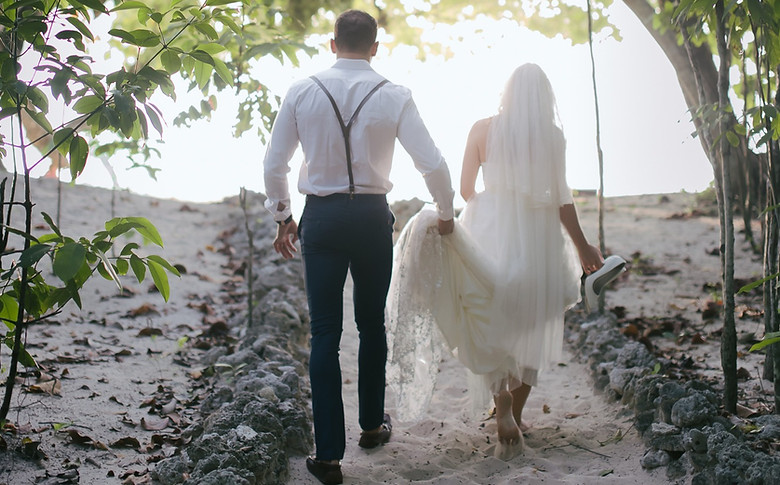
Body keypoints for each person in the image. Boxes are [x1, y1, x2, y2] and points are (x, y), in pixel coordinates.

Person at [262, 9, 455, 485]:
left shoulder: (302, 90)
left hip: (322, 221)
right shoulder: (394, 95)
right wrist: (446, 211)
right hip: (371, 219)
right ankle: (371, 425)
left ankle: (328, 456)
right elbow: (431, 161)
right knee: (371, 324)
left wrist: (283, 215)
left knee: (325, 334)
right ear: (374, 47)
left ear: (331, 44)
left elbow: (274, 163)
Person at [387, 63, 604, 453]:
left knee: (487, 310)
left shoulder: (481, 128)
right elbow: (561, 199)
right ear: (545, 98)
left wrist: (494, 203)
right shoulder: (553, 136)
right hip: (538, 234)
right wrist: (583, 246)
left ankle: (498, 392)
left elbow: (467, 188)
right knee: (532, 321)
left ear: (506, 93)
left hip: (488, 224)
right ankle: (516, 414)